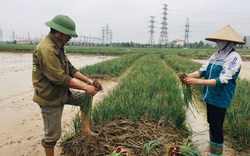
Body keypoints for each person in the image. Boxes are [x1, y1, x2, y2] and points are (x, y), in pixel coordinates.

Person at [32, 14, 99, 156]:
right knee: (53, 136)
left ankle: (85, 130)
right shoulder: (47, 49)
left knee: (85, 99)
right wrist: (85, 87)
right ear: (57, 32)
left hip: (61, 91)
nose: (70, 38)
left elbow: (69, 68)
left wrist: (88, 81)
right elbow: (59, 78)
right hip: (50, 97)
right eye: (68, 35)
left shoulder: (58, 45)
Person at [184, 25, 245, 155]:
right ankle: (213, 149)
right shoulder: (216, 55)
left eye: (220, 40)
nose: (217, 42)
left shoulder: (234, 58)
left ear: (229, 41)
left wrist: (197, 82)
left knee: (217, 127)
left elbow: (223, 80)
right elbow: (204, 70)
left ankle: (216, 153)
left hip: (220, 98)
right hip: (210, 96)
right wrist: (189, 76)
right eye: (216, 40)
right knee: (211, 123)